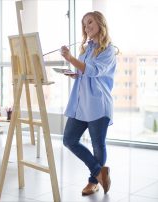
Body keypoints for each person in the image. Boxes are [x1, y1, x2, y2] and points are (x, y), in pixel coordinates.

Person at [60, 11, 116, 196]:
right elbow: (84, 71)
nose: (86, 27)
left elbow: (93, 71)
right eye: (84, 24)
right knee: (69, 139)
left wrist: (71, 59)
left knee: (98, 145)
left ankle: (93, 182)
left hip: (98, 104)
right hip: (81, 104)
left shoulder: (109, 49)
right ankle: (99, 171)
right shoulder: (86, 49)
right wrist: (74, 72)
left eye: (90, 22)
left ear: (100, 23)